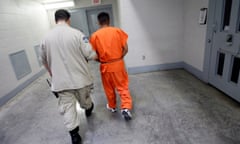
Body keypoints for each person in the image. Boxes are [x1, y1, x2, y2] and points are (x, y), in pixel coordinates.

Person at [40, 9, 97, 144]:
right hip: (81, 79)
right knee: (85, 100)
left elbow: (44, 61)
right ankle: (88, 109)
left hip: (61, 82)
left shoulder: (45, 39)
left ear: (55, 20)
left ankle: (74, 136)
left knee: (67, 108)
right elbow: (91, 55)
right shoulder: (77, 34)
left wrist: (53, 74)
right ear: (68, 19)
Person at [90, 12, 133, 121]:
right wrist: (118, 59)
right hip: (118, 65)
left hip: (105, 67)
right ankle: (126, 108)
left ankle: (112, 106)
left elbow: (94, 56)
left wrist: (103, 61)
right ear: (109, 20)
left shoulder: (95, 36)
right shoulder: (118, 31)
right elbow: (126, 49)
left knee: (108, 88)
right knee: (122, 86)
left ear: (98, 22)